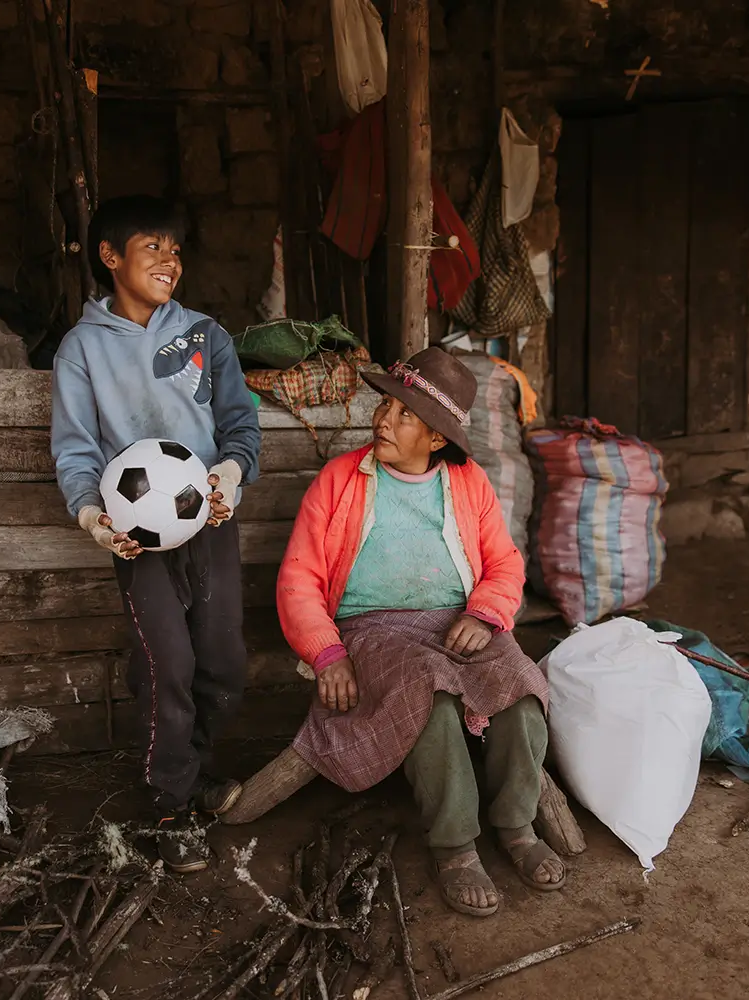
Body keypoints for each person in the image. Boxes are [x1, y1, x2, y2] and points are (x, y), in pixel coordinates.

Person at [276, 347, 565, 917]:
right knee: (426, 698)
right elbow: (298, 577)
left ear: (436, 437)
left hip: (460, 622)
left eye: (404, 413)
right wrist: (326, 652)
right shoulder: (341, 479)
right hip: (371, 627)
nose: (383, 420)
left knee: (522, 689)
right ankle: (456, 847)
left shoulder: (468, 482)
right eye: (385, 406)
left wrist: (484, 613)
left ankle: (517, 828)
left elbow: (505, 565)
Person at [50, 195, 262, 873]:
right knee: (166, 667)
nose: (170, 262)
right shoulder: (83, 349)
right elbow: (77, 449)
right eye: (152, 249)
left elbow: (240, 429)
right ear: (111, 257)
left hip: (211, 525)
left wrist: (226, 479)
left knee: (223, 663)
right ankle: (172, 805)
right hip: (137, 540)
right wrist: (93, 519)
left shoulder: (206, 336)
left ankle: (193, 769)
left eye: (175, 250)